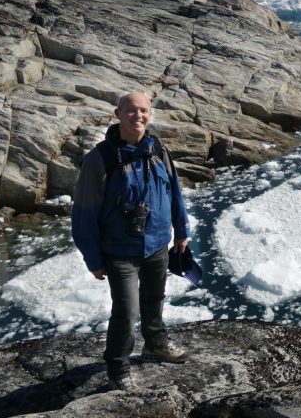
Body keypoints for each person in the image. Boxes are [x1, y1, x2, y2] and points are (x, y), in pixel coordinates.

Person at [72, 91, 190, 391]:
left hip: (157, 245)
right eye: (131, 111)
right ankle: (118, 368)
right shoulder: (100, 159)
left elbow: (174, 192)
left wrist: (181, 230)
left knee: (154, 299)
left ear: (150, 115)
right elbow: (84, 213)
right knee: (126, 312)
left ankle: (155, 344)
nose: (138, 116)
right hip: (120, 251)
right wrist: (94, 259)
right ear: (118, 114)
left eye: (144, 111)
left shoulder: (158, 150)